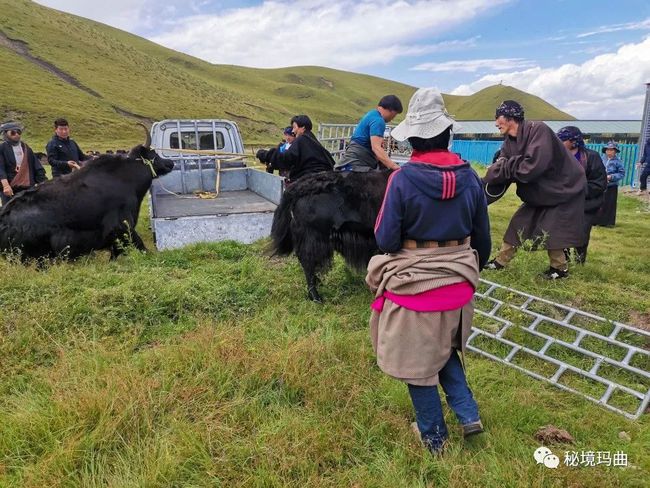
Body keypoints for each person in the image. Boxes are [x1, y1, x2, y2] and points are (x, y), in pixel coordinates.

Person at [365, 88, 491, 455]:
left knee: (414, 358)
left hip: (415, 287)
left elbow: (386, 238)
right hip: (459, 284)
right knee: (442, 344)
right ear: (446, 132)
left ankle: (434, 438)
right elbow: (482, 242)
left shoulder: (402, 180)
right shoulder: (471, 179)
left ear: (413, 137)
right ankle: (468, 414)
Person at [483, 101, 586, 279]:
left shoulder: (538, 129)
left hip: (562, 189)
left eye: (498, 118)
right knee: (517, 224)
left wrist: (506, 165)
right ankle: (500, 262)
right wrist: (481, 190)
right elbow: (501, 168)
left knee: (554, 230)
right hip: (539, 193)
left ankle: (560, 270)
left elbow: (532, 167)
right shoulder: (509, 142)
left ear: (510, 118)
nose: (495, 123)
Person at [556, 126, 607, 264]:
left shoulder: (591, 157)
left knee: (581, 234)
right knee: (561, 233)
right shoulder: (558, 157)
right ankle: (563, 261)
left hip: (586, 204)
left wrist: (577, 191)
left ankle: (579, 261)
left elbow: (599, 183)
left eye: (562, 140)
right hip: (564, 203)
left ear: (574, 141)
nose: (558, 142)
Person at [256, 115, 335, 183]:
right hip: (325, 179)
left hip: (309, 182)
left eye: (294, 127)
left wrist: (265, 155)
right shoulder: (312, 140)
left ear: (303, 128)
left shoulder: (302, 139)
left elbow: (286, 159)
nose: (293, 131)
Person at [334, 95, 403, 172]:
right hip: (357, 162)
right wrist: (394, 166)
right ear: (391, 110)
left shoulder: (372, 113)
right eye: (395, 114)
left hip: (352, 158)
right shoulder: (378, 121)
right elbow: (376, 148)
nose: (393, 118)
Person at [0, 121, 47, 205]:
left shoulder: (26, 147)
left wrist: (45, 184)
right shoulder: (2, 148)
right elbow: (1, 169)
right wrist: (6, 186)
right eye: (13, 132)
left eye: (19, 132)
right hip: (10, 189)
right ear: (5, 134)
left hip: (27, 188)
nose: (17, 134)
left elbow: (37, 167)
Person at [594, 141, 625, 227]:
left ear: (615, 151)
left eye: (612, 150)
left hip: (612, 186)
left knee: (609, 203)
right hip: (601, 184)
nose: (609, 152)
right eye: (608, 150)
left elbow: (621, 173)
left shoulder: (618, 162)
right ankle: (597, 220)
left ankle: (608, 222)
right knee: (599, 202)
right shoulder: (601, 159)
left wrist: (611, 177)